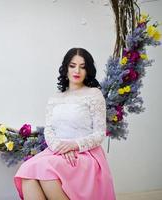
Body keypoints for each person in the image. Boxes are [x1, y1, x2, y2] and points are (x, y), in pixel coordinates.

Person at [14, 47, 116, 200]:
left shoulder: (94, 94)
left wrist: (74, 145)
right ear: (66, 68)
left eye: (82, 67)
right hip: (58, 151)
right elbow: (49, 130)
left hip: (85, 154)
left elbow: (100, 134)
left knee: (46, 170)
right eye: (72, 65)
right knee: (26, 172)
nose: (77, 71)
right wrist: (61, 149)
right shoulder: (55, 98)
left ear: (88, 70)